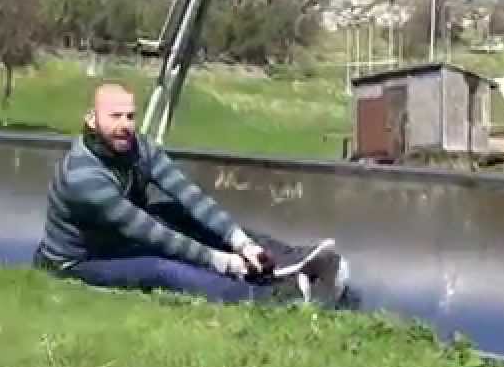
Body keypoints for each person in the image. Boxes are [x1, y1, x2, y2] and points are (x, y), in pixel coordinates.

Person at [32, 83, 348, 305]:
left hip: (119, 237)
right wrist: (223, 262)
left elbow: (190, 196)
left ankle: (283, 260)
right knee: (160, 267)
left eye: (130, 116)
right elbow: (153, 235)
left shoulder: (139, 148)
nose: (125, 125)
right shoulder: (83, 177)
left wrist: (241, 243)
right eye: (114, 117)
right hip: (84, 260)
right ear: (91, 120)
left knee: (176, 212)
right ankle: (271, 298)